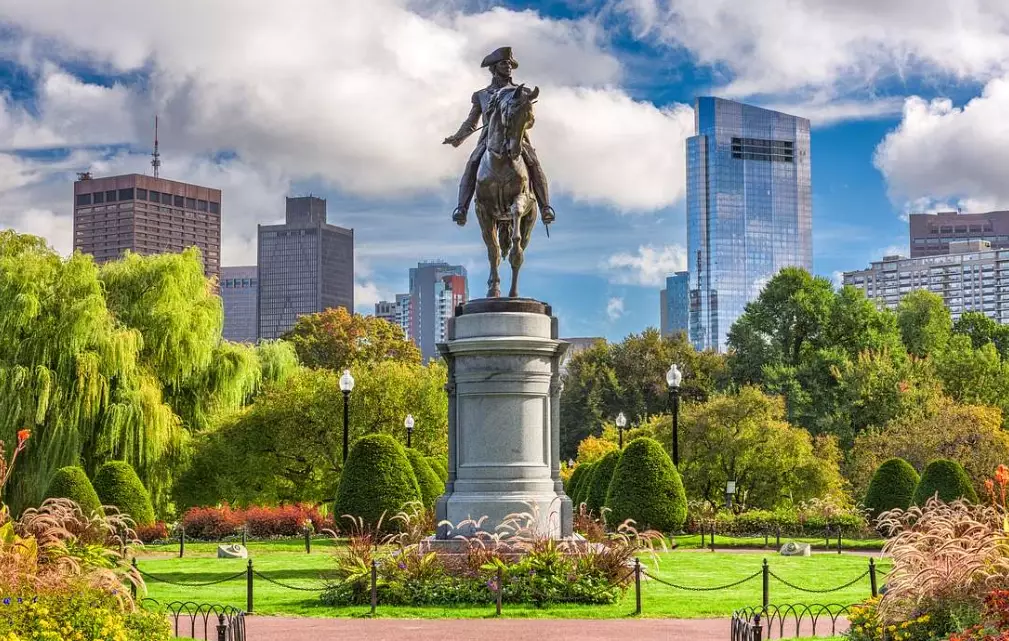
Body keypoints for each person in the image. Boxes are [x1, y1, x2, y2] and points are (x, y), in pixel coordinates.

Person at [443, 46, 555, 227]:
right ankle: (461, 208)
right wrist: (457, 137)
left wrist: (520, 123)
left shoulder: (522, 93)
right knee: (472, 163)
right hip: (489, 140)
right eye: (504, 63)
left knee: (534, 163)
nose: (509, 66)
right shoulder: (481, 95)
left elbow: (530, 120)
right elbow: (472, 122)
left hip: (517, 138)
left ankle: (545, 208)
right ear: (494, 67)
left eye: (510, 63)